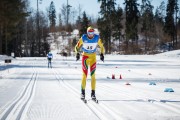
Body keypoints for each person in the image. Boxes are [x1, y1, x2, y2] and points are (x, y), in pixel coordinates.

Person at [75, 26, 105, 100]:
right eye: (89, 33)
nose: (91, 34)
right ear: (87, 33)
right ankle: (82, 93)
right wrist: (77, 53)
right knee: (84, 75)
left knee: (93, 76)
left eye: (92, 33)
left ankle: (93, 94)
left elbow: (102, 47)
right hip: (85, 57)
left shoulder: (97, 38)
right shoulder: (83, 38)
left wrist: (102, 54)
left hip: (93, 58)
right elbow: (76, 47)